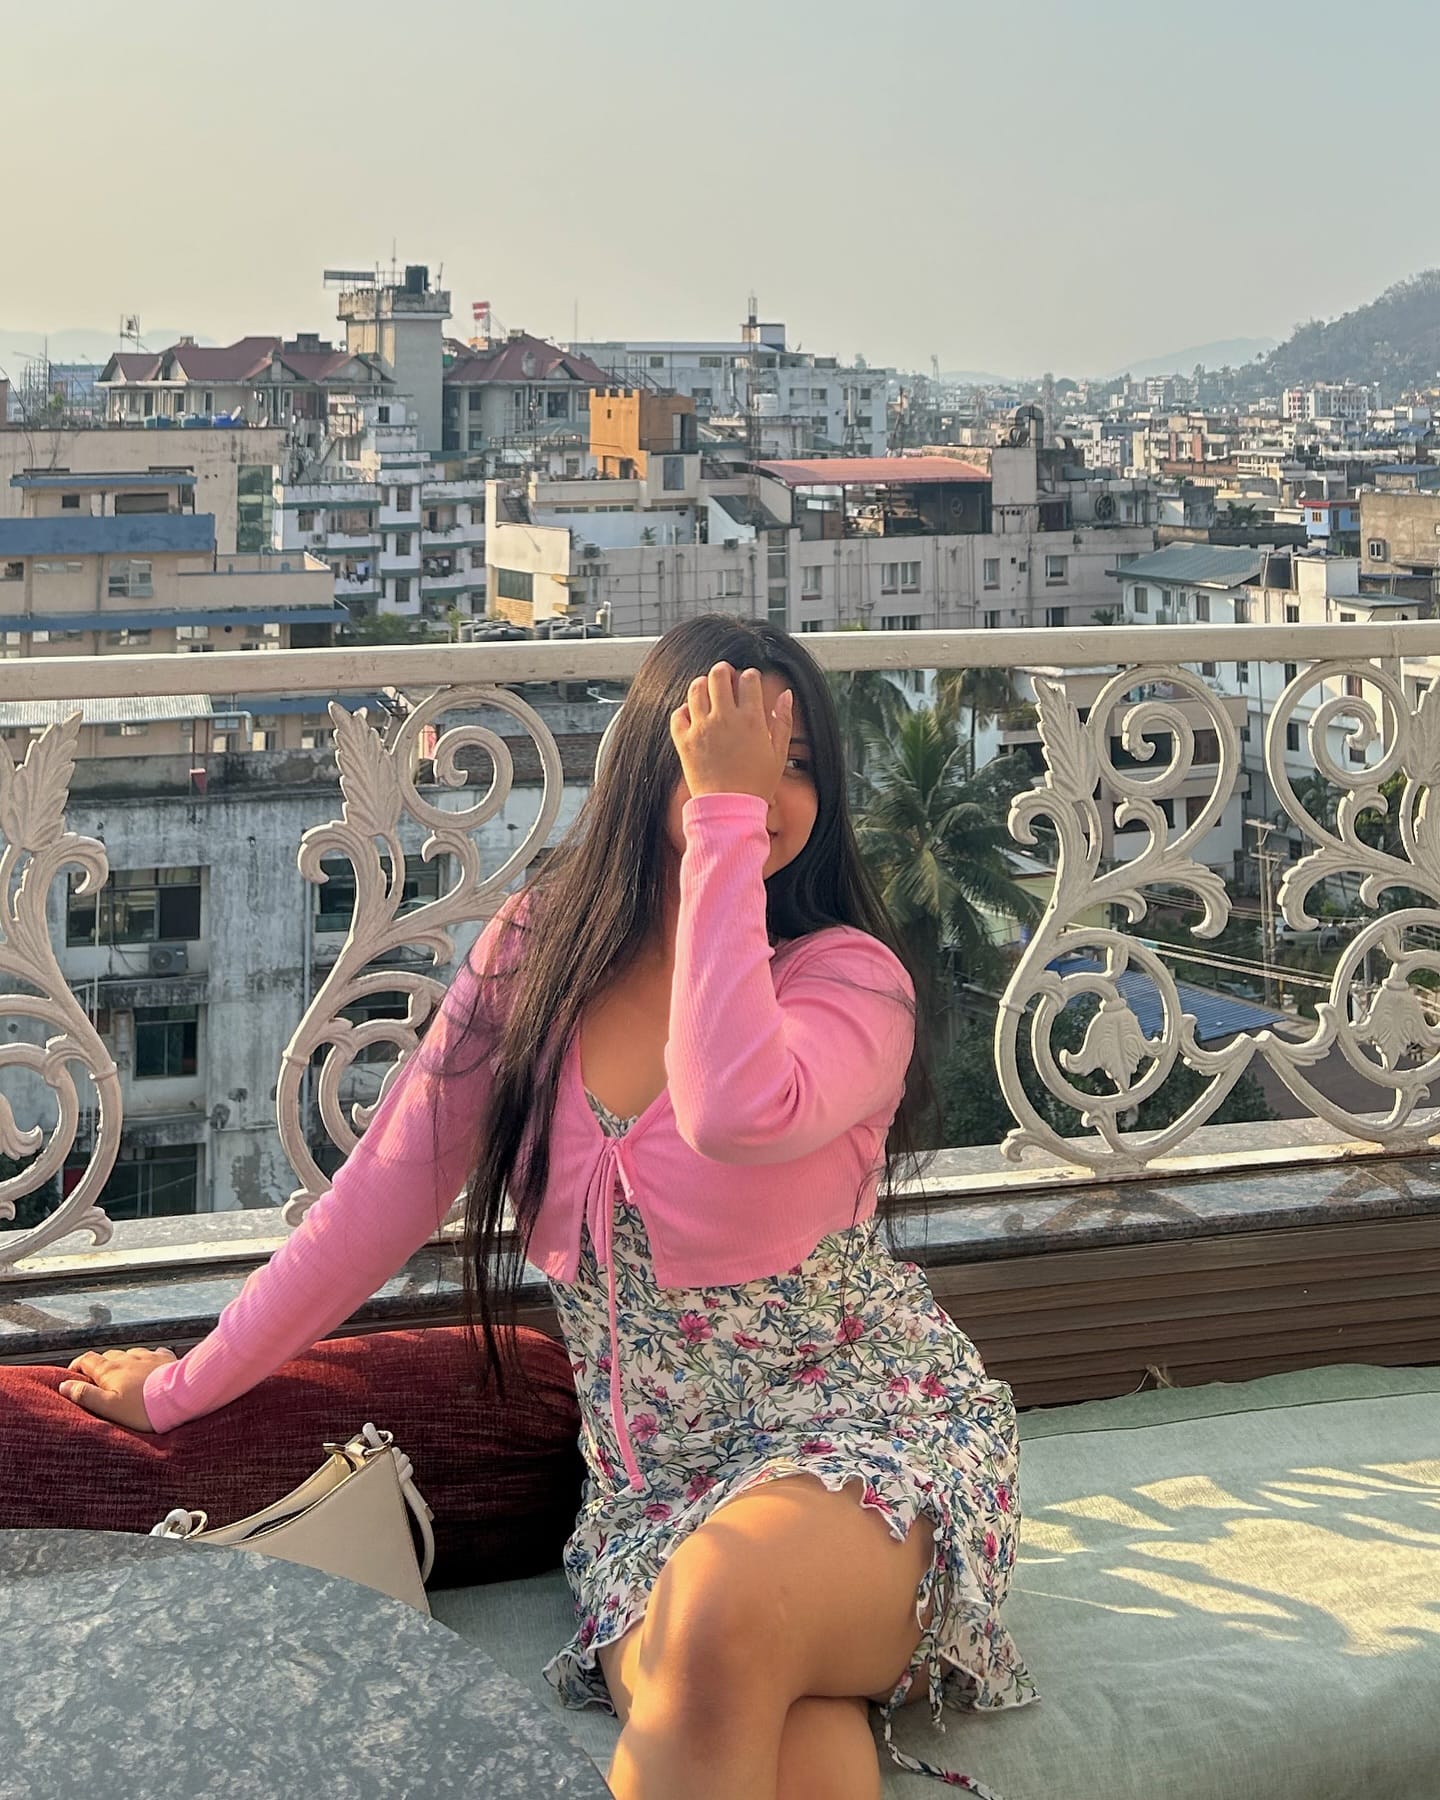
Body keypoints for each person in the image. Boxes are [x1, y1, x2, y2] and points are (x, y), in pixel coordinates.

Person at [59, 615, 1035, 1800]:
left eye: (793, 763)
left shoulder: (852, 981)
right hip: (653, 1503)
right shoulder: (539, 954)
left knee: (721, 1618)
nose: (765, 791)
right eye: (722, 753)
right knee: (780, 1719)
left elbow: (731, 1106)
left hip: (868, 1444)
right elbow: (379, 1201)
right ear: (650, 762)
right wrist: (178, 1388)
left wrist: (722, 819)